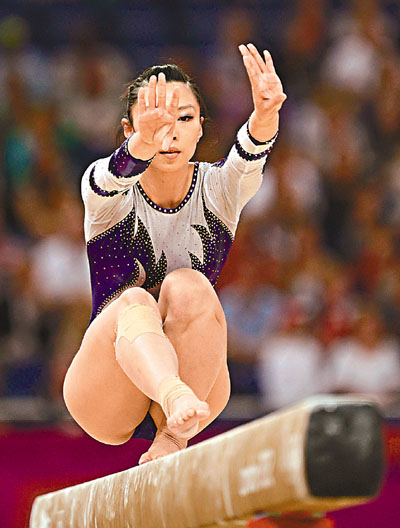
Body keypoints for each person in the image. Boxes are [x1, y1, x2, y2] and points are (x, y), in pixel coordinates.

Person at [62, 43, 286, 464]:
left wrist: (266, 113)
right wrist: (142, 145)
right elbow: (110, 177)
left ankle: (172, 436)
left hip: (197, 382)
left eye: (183, 118)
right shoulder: (106, 190)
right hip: (108, 386)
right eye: (155, 118)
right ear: (128, 129)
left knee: (189, 285)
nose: (170, 131)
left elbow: (249, 157)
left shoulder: (220, 190)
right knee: (134, 299)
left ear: (201, 127)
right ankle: (170, 392)